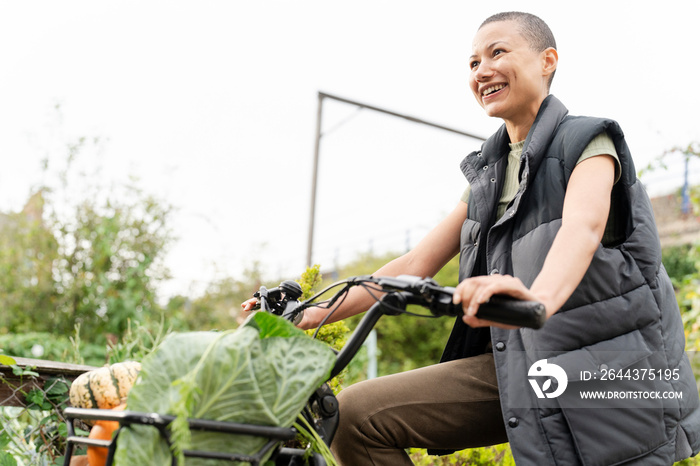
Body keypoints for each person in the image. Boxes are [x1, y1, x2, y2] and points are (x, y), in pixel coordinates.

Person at [244, 11, 700, 465]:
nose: (481, 70)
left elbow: (583, 228)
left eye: (497, 53)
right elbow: (415, 263)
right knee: (357, 416)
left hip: (608, 367)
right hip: (516, 361)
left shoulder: (587, 141)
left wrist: (533, 298)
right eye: (472, 63)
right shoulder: (488, 173)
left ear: (547, 61)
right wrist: (301, 314)